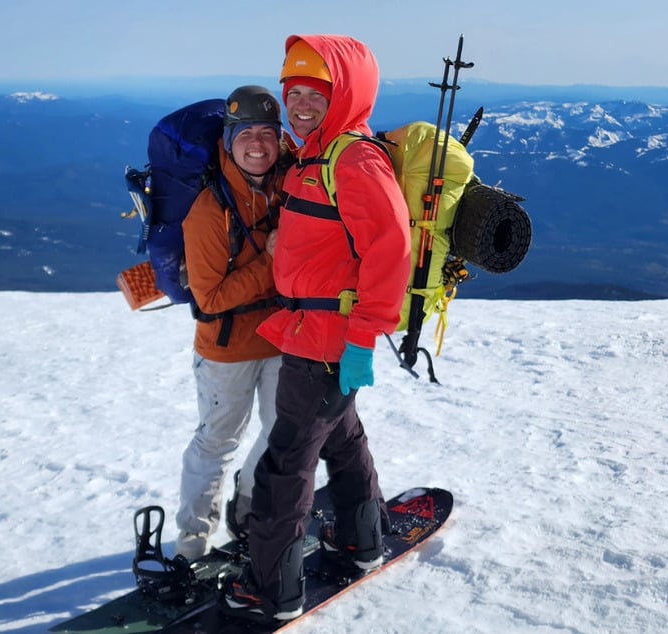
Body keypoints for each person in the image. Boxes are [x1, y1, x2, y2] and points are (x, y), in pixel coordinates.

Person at [221, 36, 412, 621]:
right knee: (340, 437)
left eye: (316, 93)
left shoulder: (353, 159)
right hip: (313, 331)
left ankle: (271, 590)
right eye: (294, 92)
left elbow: (391, 252)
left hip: (327, 338)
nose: (301, 104)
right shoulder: (315, 155)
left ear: (345, 95)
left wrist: (360, 341)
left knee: (286, 465)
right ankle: (361, 542)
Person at [174, 85, 294, 560]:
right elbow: (211, 296)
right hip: (226, 350)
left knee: (280, 429)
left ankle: (248, 508)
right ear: (228, 140)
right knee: (216, 442)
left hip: (282, 338)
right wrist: (272, 261)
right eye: (247, 134)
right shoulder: (209, 210)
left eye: (268, 132)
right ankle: (192, 545)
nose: (259, 144)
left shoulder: (289, 186)